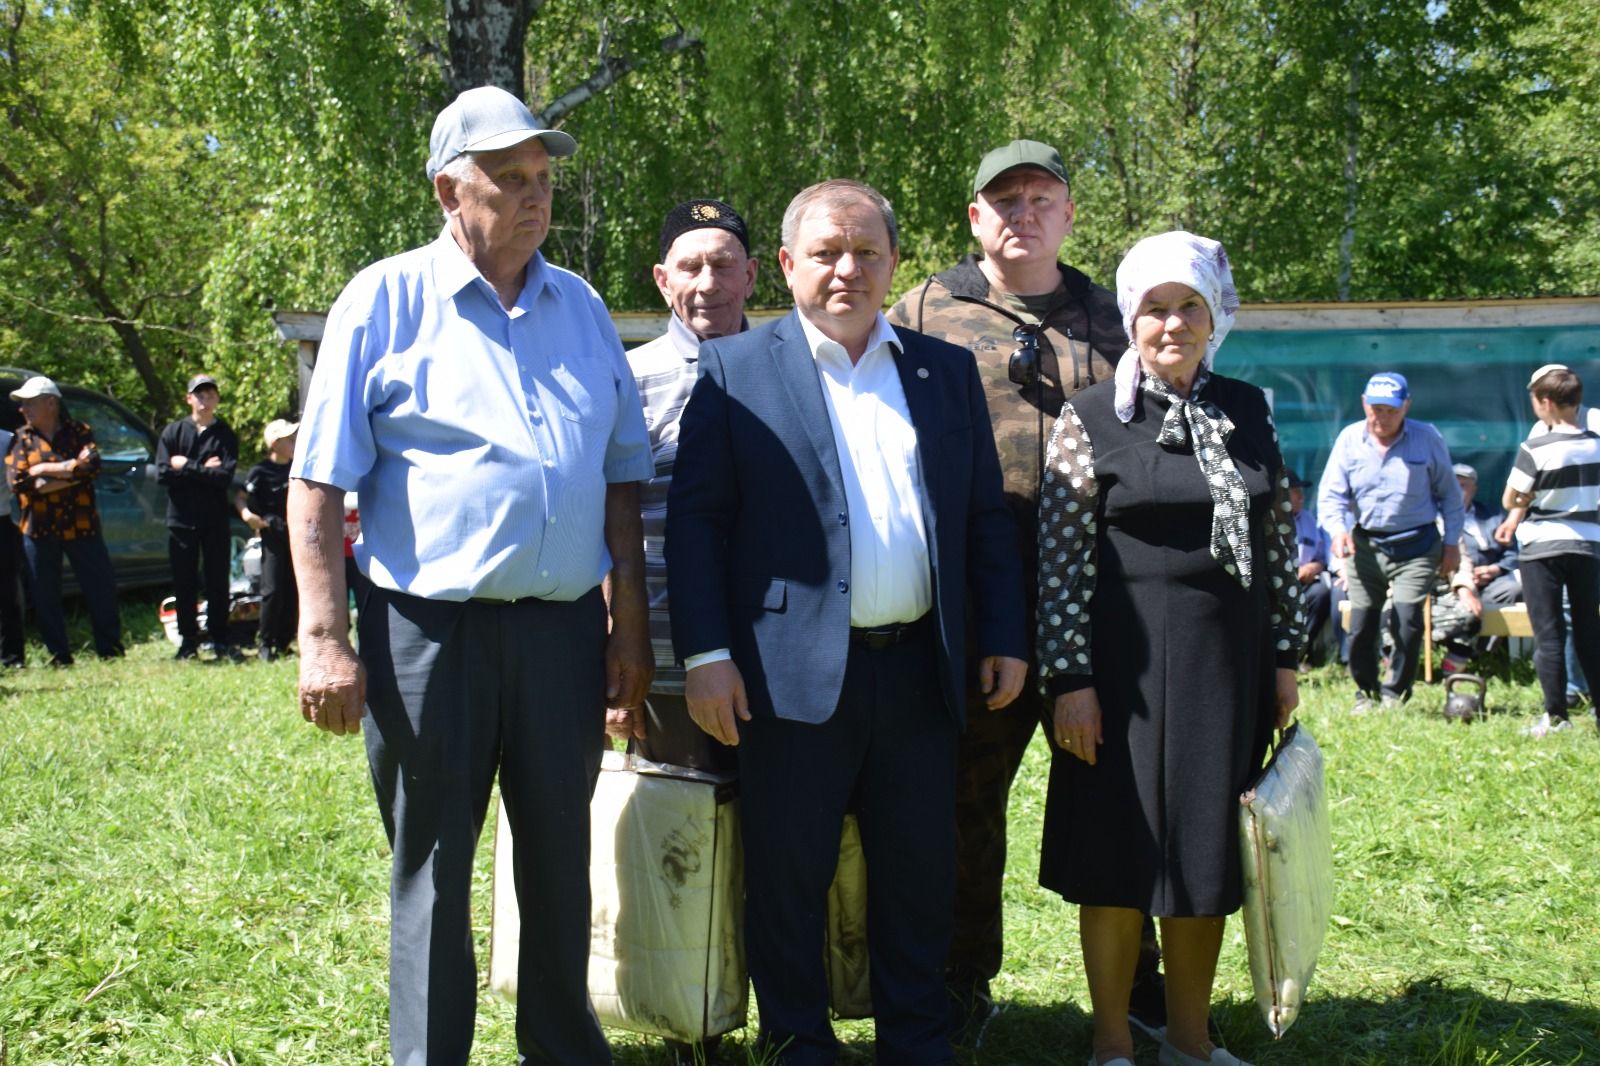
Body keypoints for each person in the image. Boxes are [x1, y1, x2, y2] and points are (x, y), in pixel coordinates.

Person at [288, 85, 654, 1064]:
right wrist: (323, 637)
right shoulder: (383, 300)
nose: (536, 196)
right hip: (427, 636)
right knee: (436, 871)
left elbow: (621, 485)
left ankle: (561, 1049)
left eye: (543, 178)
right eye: (511, 178)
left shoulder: (578, 307)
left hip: (561, 633)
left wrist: (629, 630)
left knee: (559, 861)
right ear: (452, 189)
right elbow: (317, 485)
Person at [667, 178, 1027, 1064]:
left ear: (894, 264)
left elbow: (984, 514)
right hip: (785, 674)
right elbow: (698, 525)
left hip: (920, 671)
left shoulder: (944, 373)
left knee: (918, 873)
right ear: (786, 266)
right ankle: (798, 1040)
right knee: (789, 876)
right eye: (826, 252)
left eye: (867, 252)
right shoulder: (736, 371)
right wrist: (708, 654)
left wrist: (1006, 635)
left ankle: (917, 1036)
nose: (847, 270)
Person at [886, 138, 1164, 1043]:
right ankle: (962, 983)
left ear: (1069, 213)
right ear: (975, 217)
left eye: (1042, 198)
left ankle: (1140, 993)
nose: (1024, 214)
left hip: (1106, 602)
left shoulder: (1116, 319)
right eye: (1004, 200)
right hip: (974, 606)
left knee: (1123, 797)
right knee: (964, 806)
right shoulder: (924, 309)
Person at [1037, 231, 1304, 1066]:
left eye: (1190, 305)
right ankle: (1113, 1041)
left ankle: (1190, 1040)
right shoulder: (1088, 421)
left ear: (1216, 313)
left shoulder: (1248, 410)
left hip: (1228, 672)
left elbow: (1277, 541)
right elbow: (1060, 562)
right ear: (1131, 316)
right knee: (1116, 859)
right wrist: (1069, 679)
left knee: (1205, 857)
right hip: (1122, 679)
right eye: (1155, 307)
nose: (1173, 323)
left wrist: (1286, 661)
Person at [625, 197, 757, 775]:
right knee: (679, 847)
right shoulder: (627, 381)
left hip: (774, 660)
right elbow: (610, 525)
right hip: (662, 662)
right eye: (690, 267)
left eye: (725, 264)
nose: (708, 283)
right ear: (662, 280)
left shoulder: (793, 372)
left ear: (751, 274)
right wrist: (619, 653)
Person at [1317, 371, 1463, 711]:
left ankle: (1395, 692)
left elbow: (1451, 497)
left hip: (1417, 544)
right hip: (1364, 545)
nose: (1382, 417)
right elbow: (1331, 496)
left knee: (1407, 620)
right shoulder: (1350, 439)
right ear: (1364, 404)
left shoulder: (1427, 439)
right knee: (1363, 620)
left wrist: (1452, 543)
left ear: (1406, 406)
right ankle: (1364, 692)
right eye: (1376, 408)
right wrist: (1338, 530)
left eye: (1391, 410)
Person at [1499, 365, 1600, 737]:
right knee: (1590, 631)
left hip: (1542, 545)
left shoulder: (1536, 446)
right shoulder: (1596, 441)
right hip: (1589, 543)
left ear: (1545, 402)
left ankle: (1556, 716)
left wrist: (1527, 498)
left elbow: (1511, 496)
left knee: (1549, 634)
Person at [2, 375, 124, 666]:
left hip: (81, 525)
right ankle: (59, 655)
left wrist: (44, 470)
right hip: (38, 529)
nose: (23, 410)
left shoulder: (80, 432)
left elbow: (92, 468)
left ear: (51, 403)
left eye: (29, 403)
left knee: (101, 589)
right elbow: (18, 482)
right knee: (45, 596)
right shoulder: (21, 439)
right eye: (22, 405)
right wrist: (70, 470)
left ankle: (110, 650)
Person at [157, 373, 242, 661]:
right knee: (184, 582)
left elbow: (223, 478)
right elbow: (163, 474)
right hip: (181, 520)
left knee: (217, 581)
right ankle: (188, 642)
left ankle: (219, 638)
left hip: (214, 520)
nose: (205, 400)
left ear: (217, 398)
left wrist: (187, 466)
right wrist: (204, 469)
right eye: (199, 394)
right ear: (189, 398)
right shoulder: (173, 432)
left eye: (210, 394)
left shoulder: (225, 435)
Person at [238, 419, 298, 661]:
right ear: (275, 444)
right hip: (272, 534)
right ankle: (265, 643)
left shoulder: (298, 467)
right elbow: (240, 497)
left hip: (296, 534)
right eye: (289, 439)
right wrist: (247, 515)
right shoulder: (260, 471)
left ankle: (285, 642)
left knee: (293, 588)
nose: (294, 442)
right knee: (272, 589)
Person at [1289, 472, 1333, 665]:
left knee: (1321, 593)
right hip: (1277, 585)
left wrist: (1312, 567)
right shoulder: (1270, 520)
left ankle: (1300, 653)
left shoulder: (1308, 519)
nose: (1301, 496)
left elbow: (1322, 557)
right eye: (1296, 492)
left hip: (1304, 583)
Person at [0, 427, 25, 668]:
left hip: (1, 520)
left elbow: (18, 481)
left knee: (7, 592)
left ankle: (12, 656)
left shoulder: (7, 440)